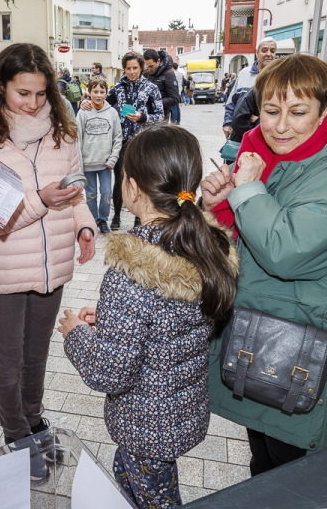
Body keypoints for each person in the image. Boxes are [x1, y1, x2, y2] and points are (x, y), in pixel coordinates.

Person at [202, 53, 327, 475]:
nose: (280, 126)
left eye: (298, 112)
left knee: (290, 471)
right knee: (264, 458)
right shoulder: (262, 153)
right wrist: (221, 205)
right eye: (271, 111)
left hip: (303, 348)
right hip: (266, 334)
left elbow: (285, 249)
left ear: (325, 112)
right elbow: (253, 235)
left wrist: (246, 191)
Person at [59, 124, 238, 509]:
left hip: (145, 426)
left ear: (133, 188)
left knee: (157, 498)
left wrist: (76, 334)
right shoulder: (201, 247)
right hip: (179, 412)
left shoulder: (131, 273)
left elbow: (109, 372)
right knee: (128, 482)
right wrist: (107, 321)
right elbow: (165, 325)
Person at [0, 42, 96, 478]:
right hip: (3, 268)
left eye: (41, 93)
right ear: (1, 88)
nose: (33, 103)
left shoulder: (64, 133)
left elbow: (76, 195)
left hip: (52, 265)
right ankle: (17, 435)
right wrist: (40, 199)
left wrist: (84, 225)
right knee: (9, 358)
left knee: (36, 356)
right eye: (23, 93)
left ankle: (35, 422)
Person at [85, 51, 164, 231]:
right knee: (120, 180)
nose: (131, 72)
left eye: (135, 68)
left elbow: (160, 116)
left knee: (141, 180)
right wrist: (86, 104)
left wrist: (142, 117)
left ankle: (139, 217)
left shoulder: (151, 88)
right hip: (120, 142)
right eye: (128, 68)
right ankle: (117, 216)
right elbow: (101, 105)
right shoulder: (118, 88)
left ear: (141, 68)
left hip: (142, 142)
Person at [77, 75, 122, 235]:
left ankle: (103, 219)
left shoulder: (112, 113)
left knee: (106, 193)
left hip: (105, 163)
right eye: (94, 91)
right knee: (90, 194)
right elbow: (77, 138)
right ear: (88, 92)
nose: (98, 95)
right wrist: (79, 164)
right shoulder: (83, 113)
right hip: (88, 163)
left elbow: (118, 137)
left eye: (101, 91)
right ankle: (93, 220)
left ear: (106, 92)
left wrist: (113, 158)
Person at [223, 37, 277, 139]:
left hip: (267, 135)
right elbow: (231, 102)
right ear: (257, 53)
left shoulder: (279, 77)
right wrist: (228, 122)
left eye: (272, 51)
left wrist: (258, 119)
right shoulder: (245, 73)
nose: (269, 54)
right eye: (264, 50)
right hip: (240, 132)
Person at [144, 49, 181, 124]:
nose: (149, 70)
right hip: (147, 116)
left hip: (161, 118)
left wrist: (154, 102)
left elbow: (175, 99)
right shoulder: (149, 73)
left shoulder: (168, 74)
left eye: (151, 66)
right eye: (147, 66)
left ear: (158, 61)